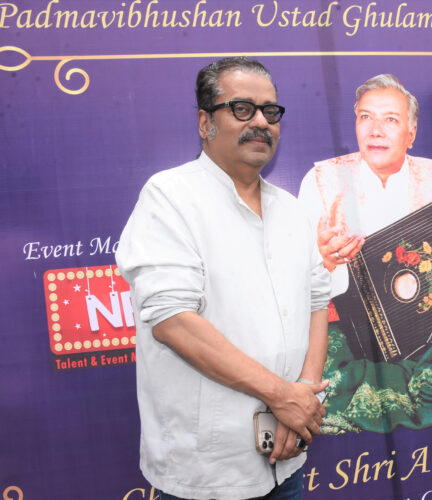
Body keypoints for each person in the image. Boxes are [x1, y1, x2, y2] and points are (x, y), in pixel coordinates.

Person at [116, 57, 331, 500]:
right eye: (241, 108)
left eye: (270, 111)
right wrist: (282, 396)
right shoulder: (170, 197)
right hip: (208, 470)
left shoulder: (292, 209)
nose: (260, 122)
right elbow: (172, 320)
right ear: (204, 122)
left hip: (288, 456)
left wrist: (304, 395)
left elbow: (316, 302)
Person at [298, 74, 432, 434]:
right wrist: (321, 260)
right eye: (365, 117)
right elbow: (301, 280)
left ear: (411, 133)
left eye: (390, 120)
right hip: (356, 337)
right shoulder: (321, 181)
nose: (375, 130)